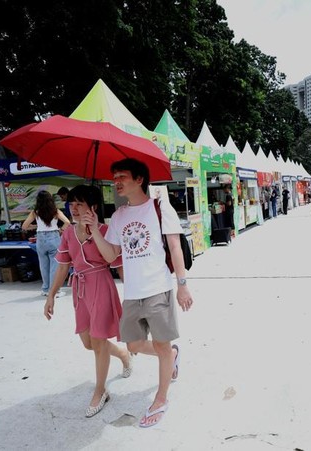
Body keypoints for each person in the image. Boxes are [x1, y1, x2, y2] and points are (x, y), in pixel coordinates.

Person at [91, 158, 193, 429]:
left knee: (160, 344)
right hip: (132, 292)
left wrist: (182, 284)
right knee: (134, 346)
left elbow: (174, 247)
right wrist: (92, 229)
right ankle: (171, 355)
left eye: (122, 176)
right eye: (114, 178)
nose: (117, 182)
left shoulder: (160, 208)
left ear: (139, 179)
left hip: (158, 288)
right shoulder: (120, 215)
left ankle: (160, 398)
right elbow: (112, 254)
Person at [43, 185, 131, 418]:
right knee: (88, 342)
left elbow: (113, 259)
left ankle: (100, 391)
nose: (73, 209)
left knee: (99, 342)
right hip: (79, 289)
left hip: (101, 285)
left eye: (79, 204)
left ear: (92, 207)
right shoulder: (68, 233)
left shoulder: (105, 229)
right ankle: (122, 355)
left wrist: (94, 230)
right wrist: (51, 294)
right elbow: (63, 265)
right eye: (71, 205)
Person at [22, 190, 71, 296]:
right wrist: (60, 230)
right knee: (55, 265)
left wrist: (35, 227)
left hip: (40, 238)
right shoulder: (55, 211)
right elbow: (67, 222)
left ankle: (45, 289)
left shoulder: (35, 212)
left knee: (43, 265)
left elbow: (24, 226)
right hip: (53, 237)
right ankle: (54, 291)